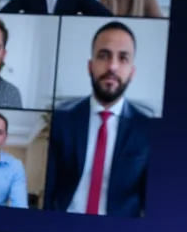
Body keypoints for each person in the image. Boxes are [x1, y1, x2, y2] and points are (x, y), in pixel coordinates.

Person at [44, 21, 150, 217]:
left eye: (123, 58)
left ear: (132, 72)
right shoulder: (61, 119)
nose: (112, 66)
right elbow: (50, 188)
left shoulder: (148, 129)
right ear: (90, 66)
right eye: (104, 55)